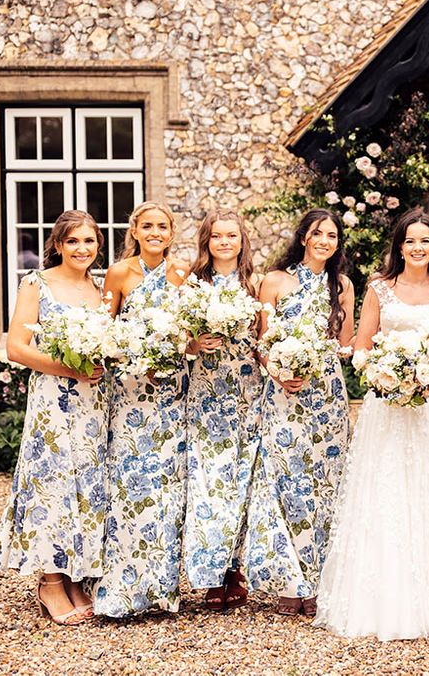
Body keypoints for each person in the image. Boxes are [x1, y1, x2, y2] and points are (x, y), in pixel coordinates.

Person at [314, 208, 429, 641]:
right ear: (399, 246)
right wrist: (390, 376)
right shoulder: (380, 289)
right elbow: (362, 349)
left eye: (426, 241)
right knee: (388, 494)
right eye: (410, 240)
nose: (418, 248)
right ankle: (385, 597)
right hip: (389, 409)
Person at [0, 211, 108, 625]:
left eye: (89, 241)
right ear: (57, 244)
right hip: (55, 400)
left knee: (87, 488)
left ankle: (75, 577)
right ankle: (51, 582)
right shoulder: (37, 284)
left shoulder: (102, 286)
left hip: (96, 404)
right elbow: (17, 347)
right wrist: (68, 368)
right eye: (73, 241)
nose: (82, 249)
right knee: (52, 484)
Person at [244, 208, 354, 618]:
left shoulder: (341, 285)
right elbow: (258, 341)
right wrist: (278, 369)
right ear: (304, 237)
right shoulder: (274, 281)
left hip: (327, 394)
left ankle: (322, 579)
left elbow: (344, 345)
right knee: (287, 481)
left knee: (326, 485)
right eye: (318, 233)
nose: (326, 240)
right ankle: (291, 579)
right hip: (282, 393)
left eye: (332, 235)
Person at [93, 201, 190, 618]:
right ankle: (122, 587)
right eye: (147, 226)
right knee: (130, 484)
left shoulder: (182, 274)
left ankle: (161, 589)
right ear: (134, 230)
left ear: (171, 233)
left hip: (172, 393)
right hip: (130, 393)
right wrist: (136, 359)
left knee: (166, 490)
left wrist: (173, 355)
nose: (155, 232)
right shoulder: (119, 274)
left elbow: (189, 330)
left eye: (162, 227)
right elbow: (104, 330)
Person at [183, 209, 263, 611]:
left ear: (242, 240)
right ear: (207, 241)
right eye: (217, 236)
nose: (225, 242)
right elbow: (178, 334)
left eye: (232, 235)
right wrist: (193, 344)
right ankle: (212, 574)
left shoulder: (257, 283)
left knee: (243, 485)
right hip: (207, 393)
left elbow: (266, 339)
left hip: (248, 394)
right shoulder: (193, 283)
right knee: (210, 485)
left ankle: (236, 569)